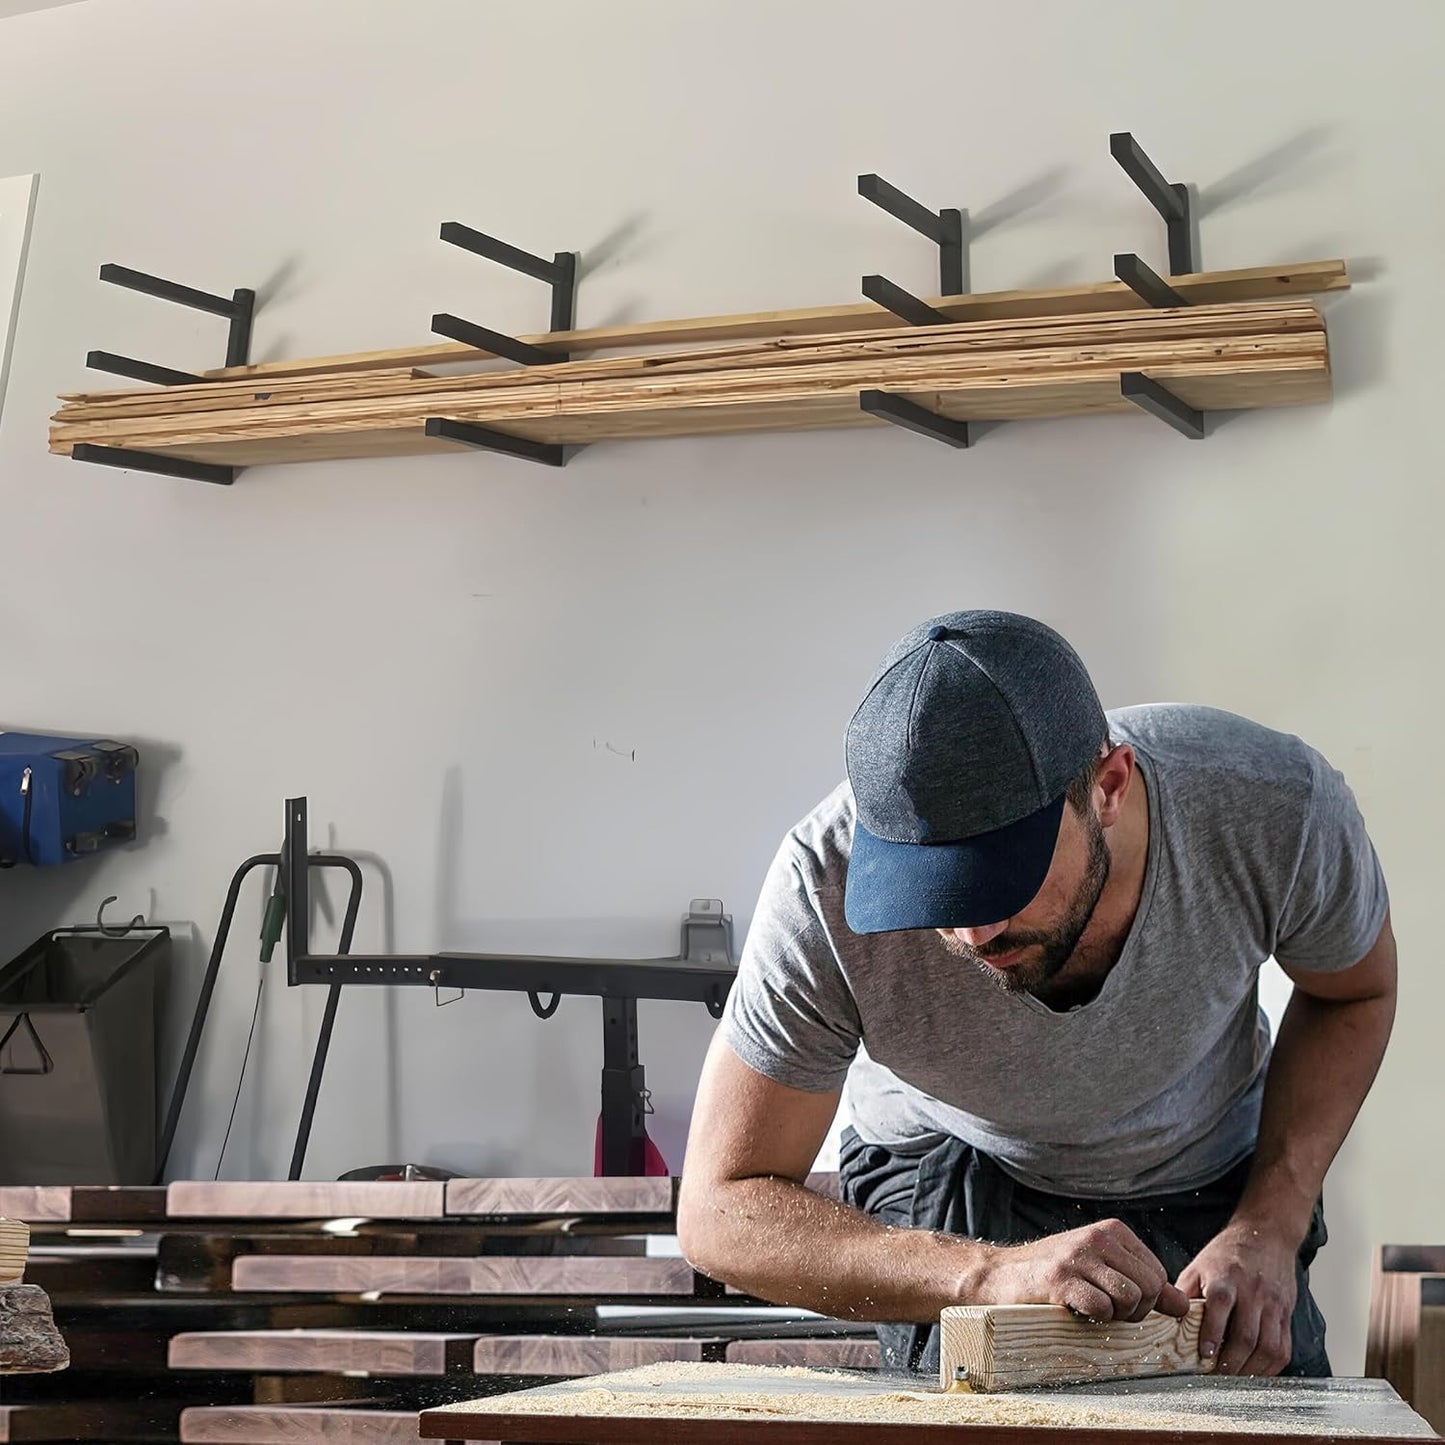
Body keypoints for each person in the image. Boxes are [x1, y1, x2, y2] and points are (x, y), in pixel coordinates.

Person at [677, 610, 1395, 1379]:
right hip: (953, 1163)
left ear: (1108, 785)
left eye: (1001, 877)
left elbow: (1351, 994)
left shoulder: (1268, 806)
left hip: (1206, 1158)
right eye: (933, 893)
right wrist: (982, 1275)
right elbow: (719, 1209)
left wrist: (1272, 1220)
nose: (973, 931)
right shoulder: (821, 882)